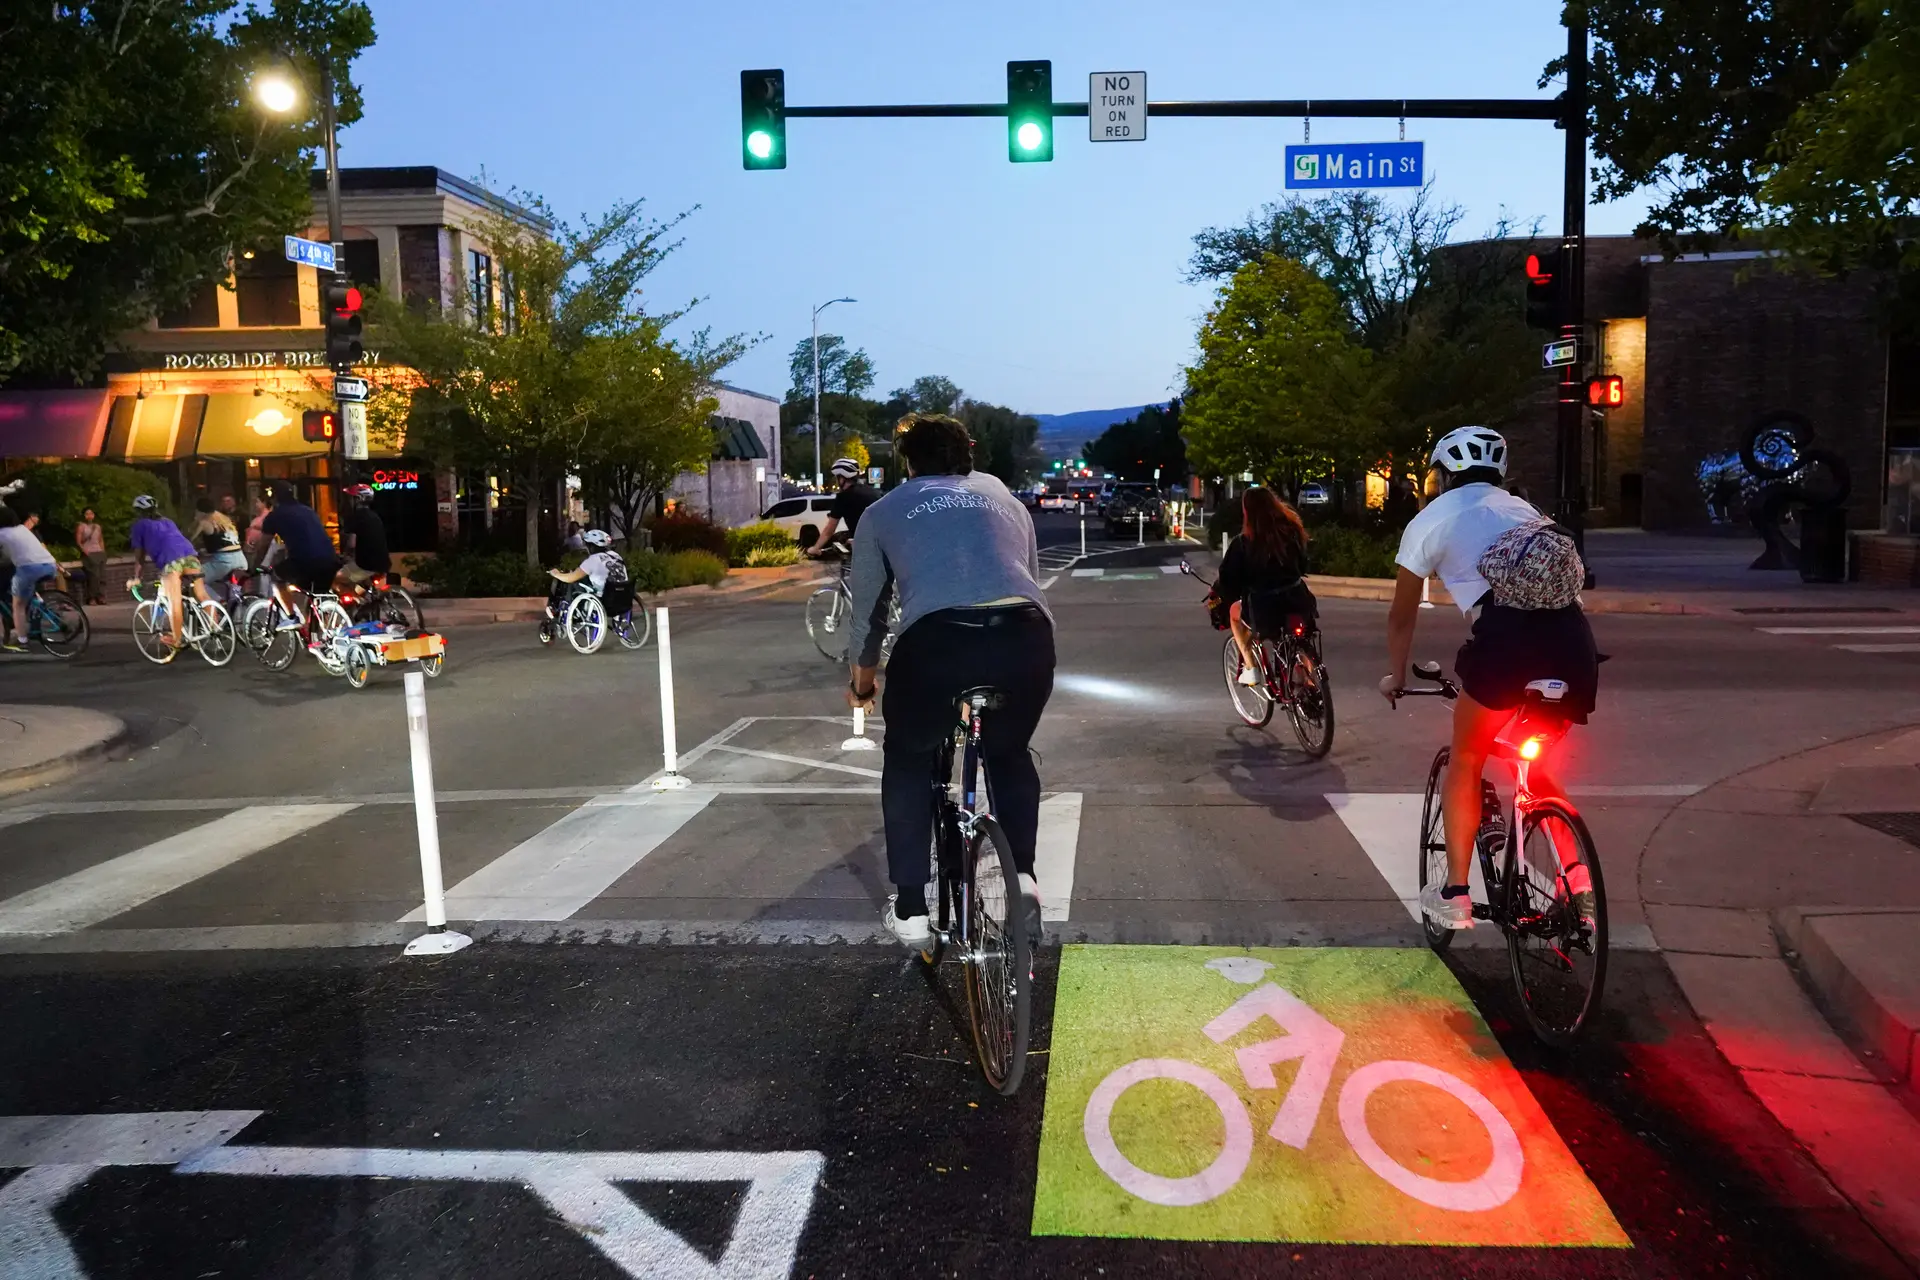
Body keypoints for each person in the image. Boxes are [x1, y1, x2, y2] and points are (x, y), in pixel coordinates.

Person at [1378, 426, 1600, 930]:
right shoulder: (1525, 511)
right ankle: (1581, 887)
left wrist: (1395, 675)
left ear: (1444, 474)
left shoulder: (1428, 522)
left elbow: (1401, 617)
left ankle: (1455, 893)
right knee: (1536, 765)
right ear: (1499, 472)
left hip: (1505, 646)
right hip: (1572, 646)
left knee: (1468, 757)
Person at [845, 414, 1051, 950]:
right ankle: (1023, 876)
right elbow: (1024, 573)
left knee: (910, 756)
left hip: (936, 641)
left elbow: (867, 616)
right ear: (970, 454)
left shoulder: (882, 511)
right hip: (1025, 636)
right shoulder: (1002, 496)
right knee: (1010, 753)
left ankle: (912, 908)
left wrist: (863, 685)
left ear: (906, 462)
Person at [1214, 487, 1317, 686]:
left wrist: (1222, 594)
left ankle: (1251, 668)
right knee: (1301, 639)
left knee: (1235, 612)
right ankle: (1310, 684)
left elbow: (1229, 581)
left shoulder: (1244, 543)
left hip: (1264, 607)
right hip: (1297, 598)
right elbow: (1304, 563)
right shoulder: (1293, 531)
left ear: (1247, 512)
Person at [129, 495, 209, 651]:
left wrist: (136, 578)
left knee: (175, 600)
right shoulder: (168, 521)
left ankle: (177, 639)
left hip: (171, 561)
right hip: (191, 557)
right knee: (202, 594)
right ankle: (213, 628)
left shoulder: (139, 526)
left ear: (139, 511)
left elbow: (139, 558)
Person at [259, 483, 339, 632]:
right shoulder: (308, 511)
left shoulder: (274, 516)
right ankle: (324, 637)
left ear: (274, 500)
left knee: (277, 577)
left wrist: (253, 567)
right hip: (330, 559)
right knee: (316, 597)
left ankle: (291, 617)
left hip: (305, 561)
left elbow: (262, 547)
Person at [0, 507, 58, 653]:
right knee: (27, 594)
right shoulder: (22, 529)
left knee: (17, 605)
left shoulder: (1, 534)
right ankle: (36, 612)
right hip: (50, 565)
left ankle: (22, 641)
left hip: (29, 568)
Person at [805, 457, 878, 558]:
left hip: (866, 549)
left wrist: (815, 548)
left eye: (837, 478)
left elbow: (829, 530)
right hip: (882, 543)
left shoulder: (843, 497)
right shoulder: (874, 492)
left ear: (842, 478)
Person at [546, 528, 627, 616]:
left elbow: (570, 578)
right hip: (623, 596)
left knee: (573, 583)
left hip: (605, 598)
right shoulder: (616, 556)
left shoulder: (593, 560)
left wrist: (557, 574)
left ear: (591, 546)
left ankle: (561, 610)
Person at [190, 496, 247, 603]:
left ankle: (218, 604)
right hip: (241, 559)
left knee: (195, 578)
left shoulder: (204, 521)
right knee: (233, 589)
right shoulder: (224, 519)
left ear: (199, 511)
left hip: (224, 562)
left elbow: (188, 540)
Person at [336, 484, 391, 587]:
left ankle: (356, 600)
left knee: (336, 578)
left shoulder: (356, 517)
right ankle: (365, 598)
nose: (349, 501)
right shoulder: (374, 516)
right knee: (358, 579)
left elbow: (352, 544)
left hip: (365, 565)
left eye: (351, 498)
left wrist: (344, 555)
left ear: (358, 499)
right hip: (383, 563)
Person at [74, 508, 107, 605]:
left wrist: (103, 551)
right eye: (87, 514)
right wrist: (85, 551)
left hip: (99, 552)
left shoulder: (97, 526)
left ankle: (101, 596)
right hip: (89, 553)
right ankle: (92, 597)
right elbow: (78, 541)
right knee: (93, 576)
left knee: (102, 576)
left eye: (91, 513)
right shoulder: (81, 526)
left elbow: (100, 540)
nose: (89, 516)